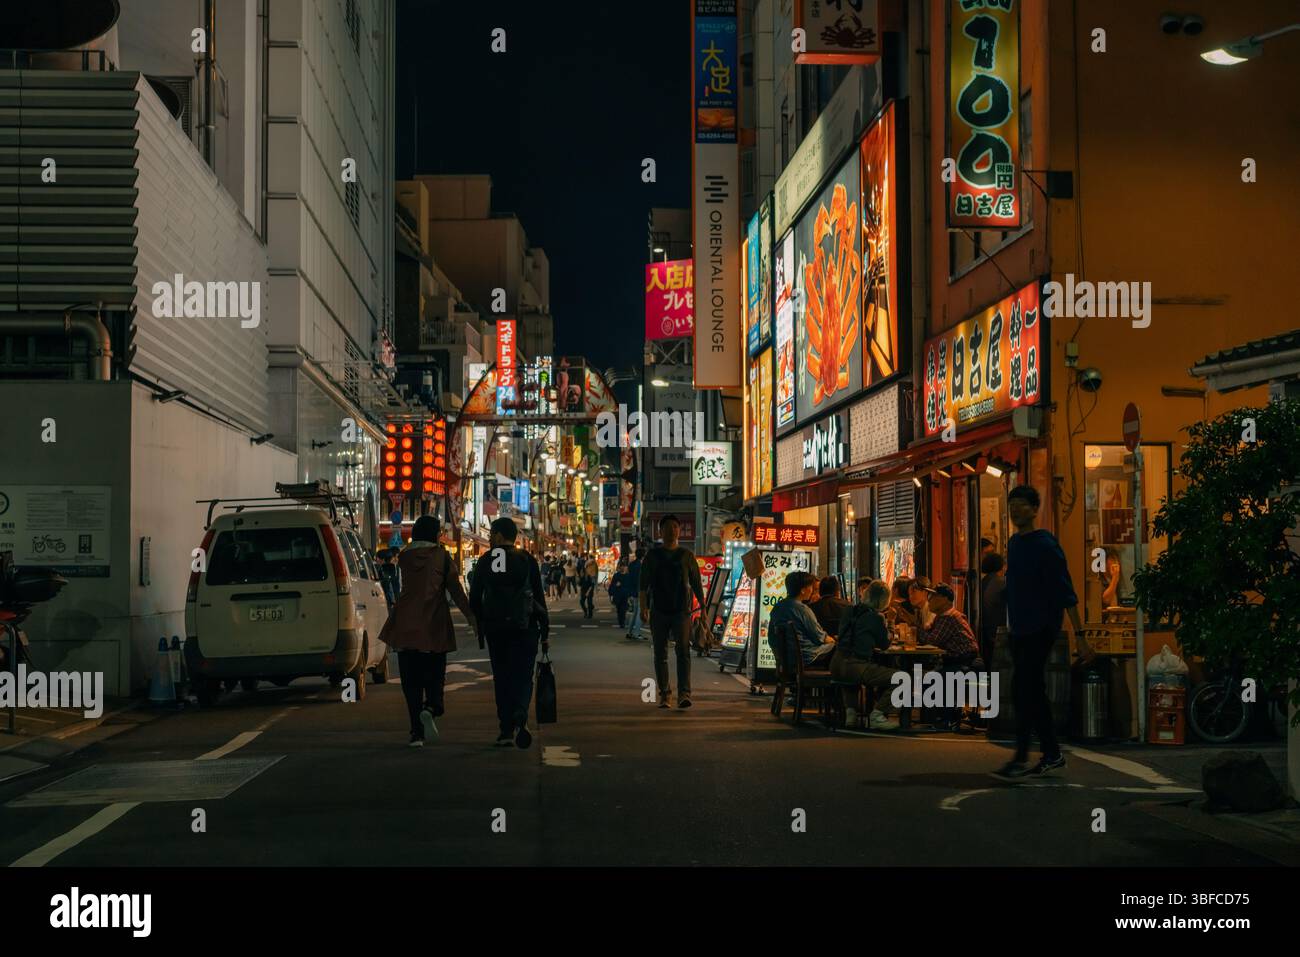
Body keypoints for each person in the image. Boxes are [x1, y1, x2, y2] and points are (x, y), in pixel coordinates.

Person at [991, 485, 1091, 781]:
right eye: (1012, 505)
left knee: (1024, 689)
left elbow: (1066, 591)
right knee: (1030, 691)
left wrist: (1081, 636)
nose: (1016, 510)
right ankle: (1051, 753)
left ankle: (1023, 757)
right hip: (1018, 629)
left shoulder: (1046, 545)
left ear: (1035, 509)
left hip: (1042, 628)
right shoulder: (1014, 543)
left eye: (1022, 504)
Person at [377, 515, 476, 747]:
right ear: (434, 534)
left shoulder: (404, 556)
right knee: (435, 674)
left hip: (404, 625)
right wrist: (471, 617)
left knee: (410, 681)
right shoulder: (442, 557)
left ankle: (416, 733)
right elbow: (456, 591)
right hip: (433, 625)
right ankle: (431, 707)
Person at [469, 517, 550, 749]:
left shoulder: (486, 560)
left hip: (496, 629)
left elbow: (475, 598)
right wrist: (545, 631)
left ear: (498, 536)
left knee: (502, 677)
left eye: (491, 534)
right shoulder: (527, 560)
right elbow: (538, 598)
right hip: (525, 627)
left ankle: (505, 729)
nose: (488, 537)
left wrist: (479, 622)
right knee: (523, 675)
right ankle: (521, 712)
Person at [638, 514, 706, 709]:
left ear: (679, 530)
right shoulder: (653, 556)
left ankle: (684, 694)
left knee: (683, 651)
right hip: (659, 610)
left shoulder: (687, 555)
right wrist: (644, 608)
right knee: (660, 653)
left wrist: (703, 608)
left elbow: (696, 584)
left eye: (675, 527)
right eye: (667, 527)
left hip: (681, 611)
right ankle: (664, 694)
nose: (672, 531)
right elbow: (643, 585)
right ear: (660, 531)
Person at [832, 579, 900, 730]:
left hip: (836, 664)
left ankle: (851, 714)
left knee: (849, 678)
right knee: (902, 678)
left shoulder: (849, 610)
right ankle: (877, 714)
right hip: (857, 666)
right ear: (884, 600)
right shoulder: (876, 617)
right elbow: (884, 644)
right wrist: (891, 622)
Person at [767, 571, 836, 670]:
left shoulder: (777, 608)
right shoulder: (802, 609)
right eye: (811, 587)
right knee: (837, 647)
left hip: (786, 660)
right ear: (803, 590)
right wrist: (833, 640)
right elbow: (819, 637)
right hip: (807, 658)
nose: (812, 590)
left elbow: (771, 638)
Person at [923, 584, 980, 666]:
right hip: (956, 661)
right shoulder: (941, 616)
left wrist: (915, 630)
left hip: (965, 663)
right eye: (929, 596)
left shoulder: (950, 617)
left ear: (945, 599)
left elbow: (932, 641)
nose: (929, 600)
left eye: (934, 596)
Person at [979, 552, 1007, 665]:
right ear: (1002, 566)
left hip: (983, 631)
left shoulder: (983, 582)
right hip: (996, 632)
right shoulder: (1001, 583)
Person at [625, 550, 644, 640]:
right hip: (639, 591)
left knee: (635, 612)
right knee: (639, 612)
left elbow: (629, 578)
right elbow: (639, 581)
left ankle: (629, 632)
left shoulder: (632, 564)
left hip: (633, 591)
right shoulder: (640, 566)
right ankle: (637, 633)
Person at [609, 560, 631, 629]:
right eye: (621, 566)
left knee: (623, 610)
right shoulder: (616, 575)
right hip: (618, 595)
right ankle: (620, 621)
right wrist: (615, 587)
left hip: (625, 595)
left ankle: (622, 623)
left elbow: (630, 585)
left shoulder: (628, 576)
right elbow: (612, 585)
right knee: (619, 610)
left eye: (624, 566)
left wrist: (630, 595)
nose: (623, 568)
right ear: (619, 567)